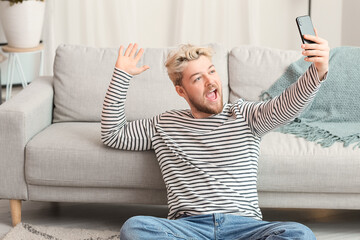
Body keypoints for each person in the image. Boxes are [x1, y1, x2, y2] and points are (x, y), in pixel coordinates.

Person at [101, 31, 329, 239]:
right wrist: (121, 76)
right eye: (198, 78)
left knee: (299, 233)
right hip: (189, 228)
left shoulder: (245, 115)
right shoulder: (163, 123)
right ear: (181, 90)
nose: (211, 81)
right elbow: (113, 134)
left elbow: (286, 106)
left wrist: (318, 71)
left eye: (211, 71)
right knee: (135, 227)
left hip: (244, 228)